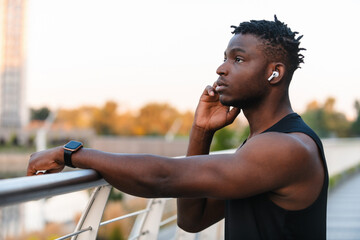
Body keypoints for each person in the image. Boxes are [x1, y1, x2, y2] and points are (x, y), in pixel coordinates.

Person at [27, 15, 328, 239]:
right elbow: (192, 219)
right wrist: (202, 131)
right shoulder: (260, 144)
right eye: (224, 58)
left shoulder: (287, 148)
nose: (221, 68)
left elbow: (161, 177)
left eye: (238, 59)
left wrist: (70, 154)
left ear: (274, 73)